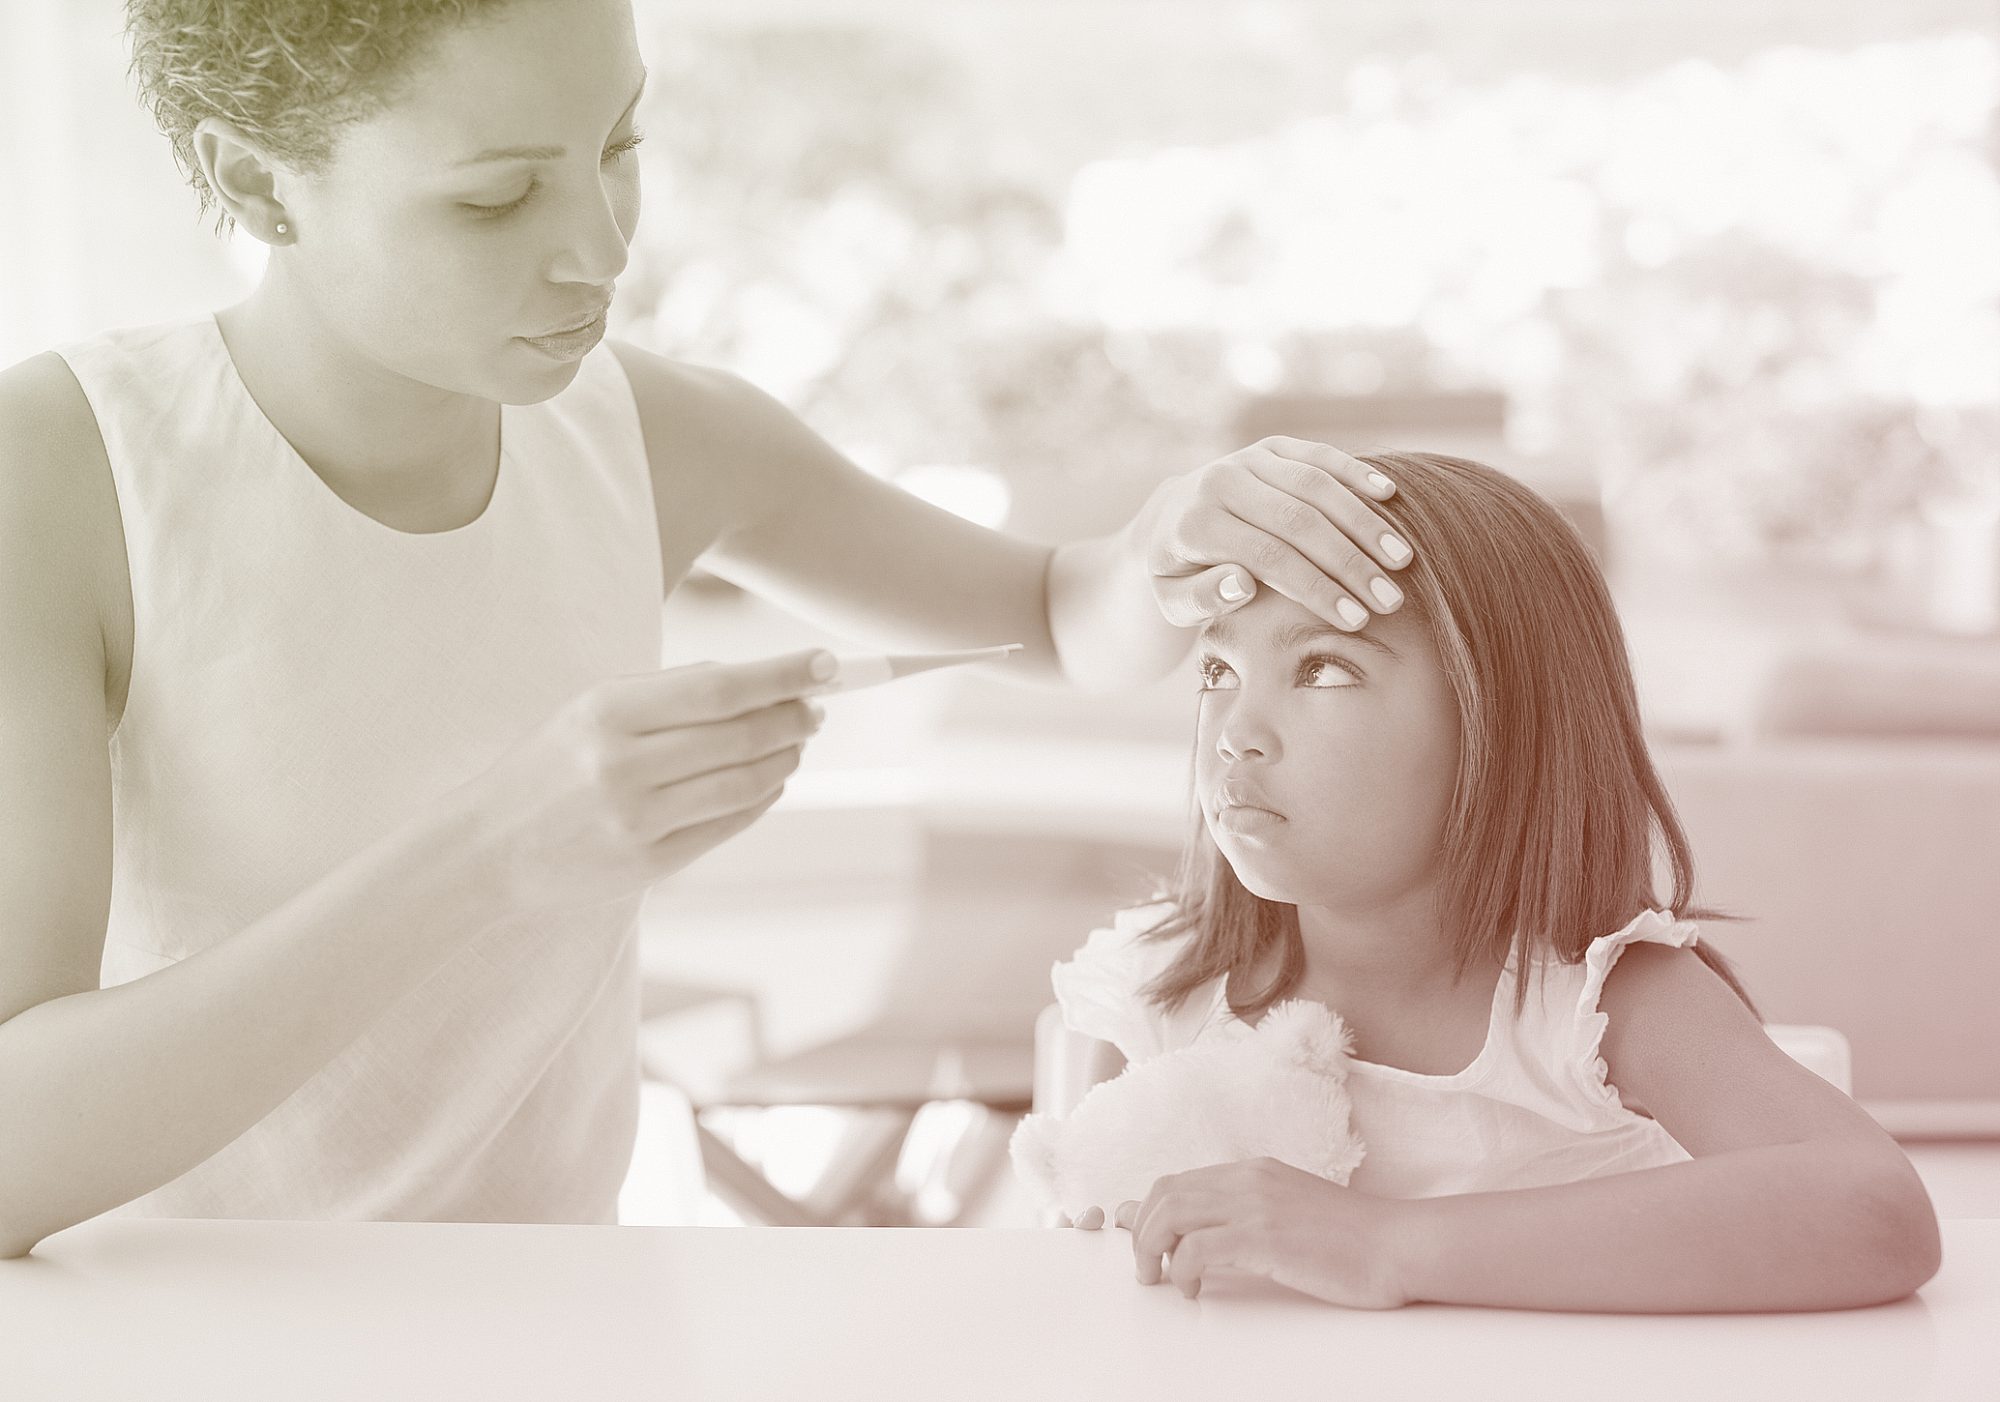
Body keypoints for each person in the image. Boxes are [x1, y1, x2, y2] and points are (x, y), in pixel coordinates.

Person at [0, 0, 1418, 1256]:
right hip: (160, 1331)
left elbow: (1051, 613)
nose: (599, 253)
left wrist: (1163, 551)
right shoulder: (65, 476)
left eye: (618, 149)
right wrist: (498, 849)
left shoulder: (651, 434)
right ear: (255, 180)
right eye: (496, 201)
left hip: (556, 1317)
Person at [1048, 450, 1943, 1312]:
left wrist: (1383, 1244)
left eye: (1323, 669)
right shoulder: (1160, 988)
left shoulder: (1598, 1005)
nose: (1237, 731)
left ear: (1500, 727)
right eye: (1218, 668)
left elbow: (1874, 1210)